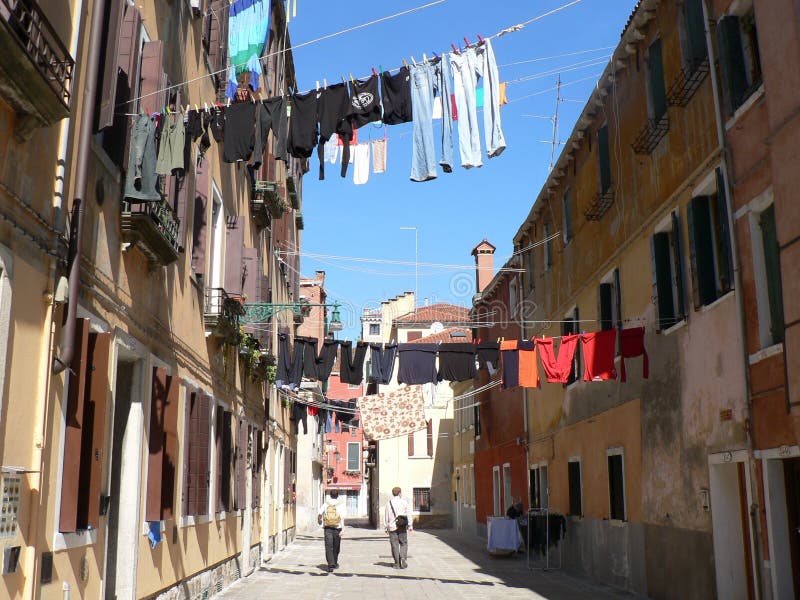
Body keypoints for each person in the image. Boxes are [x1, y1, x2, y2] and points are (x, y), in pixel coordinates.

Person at [384, 486, 413, 569]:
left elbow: (386, 516)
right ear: (400, 493)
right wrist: (410, 525)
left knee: (394, 545)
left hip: (392, 527)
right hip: (402, 526)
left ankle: (397, 563)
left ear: (393, 493)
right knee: (404, 543)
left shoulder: (389, 503)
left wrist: (386, 527)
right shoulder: (404, 502)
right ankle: (403, 558)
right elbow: (408, 514)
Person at [317, 490, 345, 573]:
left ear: (330, 496)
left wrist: (319, 521)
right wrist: (343, 529)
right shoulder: (341, 505)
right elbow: (342, 518)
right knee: (336, 546)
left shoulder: (326, 504)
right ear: (337, 496)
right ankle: (334, 562)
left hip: (327, 528)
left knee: (328, 546)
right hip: (337, 528)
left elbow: (319, 513)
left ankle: (330, 564)